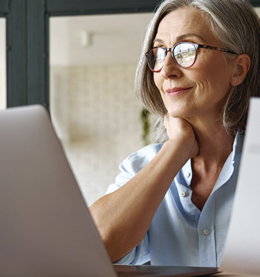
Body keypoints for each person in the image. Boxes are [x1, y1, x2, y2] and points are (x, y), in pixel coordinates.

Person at [89, 0, 260, 268]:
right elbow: (91, 248)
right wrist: (177, 148)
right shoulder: (142, 167)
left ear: (237, 69)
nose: (167, 70)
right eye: (158, 52)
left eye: (187, 50)